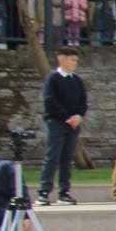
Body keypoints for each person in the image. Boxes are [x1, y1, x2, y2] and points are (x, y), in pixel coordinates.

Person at [38, 47, 86, 206]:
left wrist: (78, 116)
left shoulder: (76, 80)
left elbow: (83, 102)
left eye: (76, 60)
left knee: (66, 158)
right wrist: (66, 117)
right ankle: (44, 191)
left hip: (72, 124)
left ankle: (64, 191)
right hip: (56, 122)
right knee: (53, 156)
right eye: (72, 60)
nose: (74, 63)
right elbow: (50, 101)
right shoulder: (53, 78)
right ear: (61, 59)